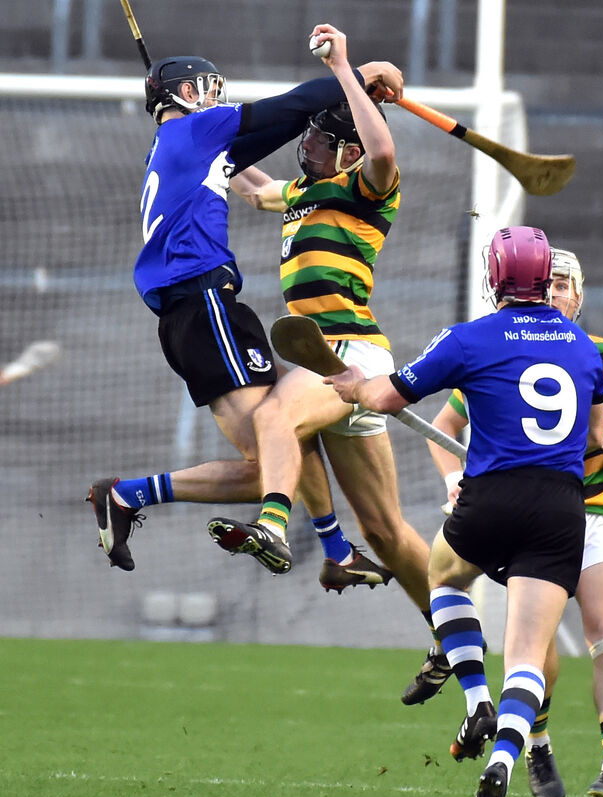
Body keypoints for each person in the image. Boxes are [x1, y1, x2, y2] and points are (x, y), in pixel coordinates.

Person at [86, 28, 403, 591]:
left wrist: (351, 90)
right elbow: (290, 108)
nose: (217, 101)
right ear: (184, 94)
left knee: (279, 451)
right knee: (279, 451)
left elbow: (260, 150)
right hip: (207, 300)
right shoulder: (196, 129)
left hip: (182, 316)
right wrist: (355, 72)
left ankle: (129, 496)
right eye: (208, 90)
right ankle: (277, 529)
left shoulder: (177, 146)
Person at [325, 225, 603, 797]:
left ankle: (477, 700)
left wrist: (356, 385)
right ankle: (503, 757)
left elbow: (387, 397)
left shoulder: (469, 338)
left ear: (497, 276)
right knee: (530, 654)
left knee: (443, 576)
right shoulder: (584, 348)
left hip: (492, 497)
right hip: (560, 508)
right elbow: (596, 437)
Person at [207, 23, 436, 639]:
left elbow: (385, 153)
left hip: (351, 353)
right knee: (384, 531)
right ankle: (455, 644)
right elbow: (252, 189)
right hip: (323, 362)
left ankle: (276, 527)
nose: (305, 148)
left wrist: (346, 69)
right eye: (307, 139)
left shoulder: (367, 188)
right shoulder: (307, 190)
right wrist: (200, 141)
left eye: (320, 142)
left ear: (350, 150)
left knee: (275, 420)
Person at [415, 247, 603, 797]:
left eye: (562, 286)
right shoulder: (508, 349)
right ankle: (536, 748)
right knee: (537, 649)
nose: (552, 294)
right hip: (552, 512)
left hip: (598, 510)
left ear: (578, 295)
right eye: (545, 284)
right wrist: (453, 477)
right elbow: (447, 421)